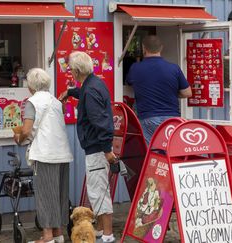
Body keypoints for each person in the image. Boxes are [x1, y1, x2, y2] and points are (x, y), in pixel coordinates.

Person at [59, 51, 116, 243]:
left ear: (76, 71)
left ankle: (107, 235)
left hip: (97, 148)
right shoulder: (94, 83)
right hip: (97, 147)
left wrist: (107, 150)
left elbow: (101, 122)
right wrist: (70, 92)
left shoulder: (90, 90)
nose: (71, 74)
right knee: (97, 190)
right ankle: (100, 230)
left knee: (99, 191)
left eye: (71, 71)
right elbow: (84, 93)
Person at [14, 68, 73, 243]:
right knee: (59, 194)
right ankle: (58, 234)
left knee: (46, 195)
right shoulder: (56, 102)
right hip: (62, 153)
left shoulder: (32, 102)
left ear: (31, 85)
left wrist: (18, 138)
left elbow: (26, 130)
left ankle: (47, 237)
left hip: (45, 154)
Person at [126, 35, 192, 145]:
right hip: (172, 118)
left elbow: (129, 83)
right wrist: (171, 93)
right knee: (170, 150)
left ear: (144, 48)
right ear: (161, 48)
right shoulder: (174, 68)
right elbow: (187, 92)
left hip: (148, 118)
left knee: (152, 152)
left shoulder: (135, 68)